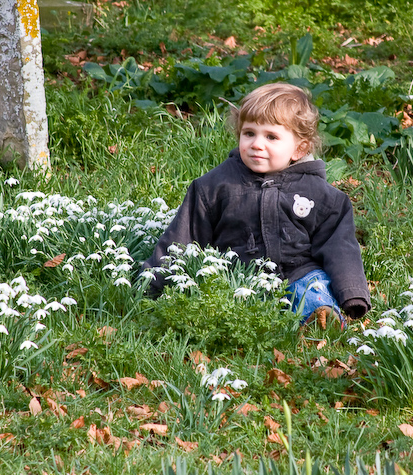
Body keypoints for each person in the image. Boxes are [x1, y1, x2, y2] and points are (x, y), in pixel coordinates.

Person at [142, 82, 371, 326]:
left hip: (298, 273)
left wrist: (352, 293)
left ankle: (320, 319)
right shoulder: (214, 186)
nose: (257, 144)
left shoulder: (322, 196)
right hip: (237, 276)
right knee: (220, 301)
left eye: (271, 136)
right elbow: (182, 236)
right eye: (249, 133)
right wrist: (151, 284)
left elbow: (341, 247)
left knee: (313, 289)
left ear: (300, 147)